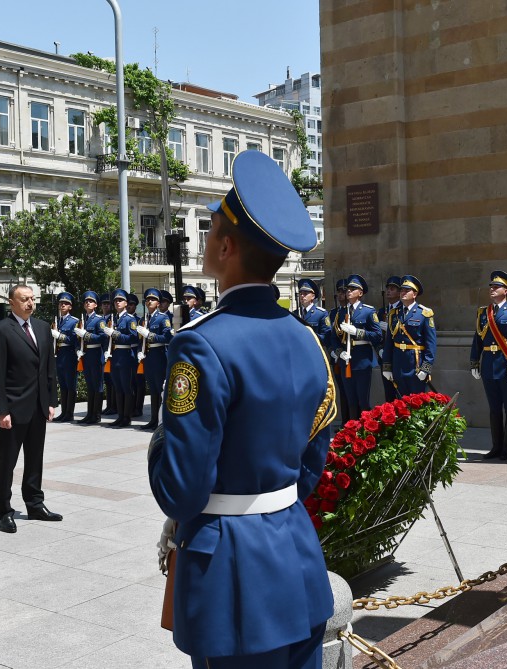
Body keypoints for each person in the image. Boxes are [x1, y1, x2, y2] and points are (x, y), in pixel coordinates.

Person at [148, 149, 334, 669]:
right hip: (296, 557)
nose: (204, 239)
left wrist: (160, 440)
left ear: (226, 247)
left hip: (232, 579)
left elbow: (182, 491)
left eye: (209, 230)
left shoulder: (201, 344)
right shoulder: (307, 341)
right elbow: (312, 463)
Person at [0, 284, 63, 533]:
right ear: (11, 302)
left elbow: (49, 368)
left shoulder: (41, 328)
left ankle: (34, 504)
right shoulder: (0, 331)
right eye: (24, 299)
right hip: (13, 408)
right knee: (8, 462)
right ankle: (4, 512)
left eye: (32, 299)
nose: (30, 303)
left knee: (35, 460)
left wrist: (51, 401)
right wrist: (1, 411)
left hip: (38, 407)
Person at [470, 270, 507, 460]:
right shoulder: (484, 312)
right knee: (494, 408)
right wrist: (474, 361)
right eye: (491, 286)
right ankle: (496, 446)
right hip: (489, 364)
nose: (492, 289)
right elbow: (477, 338)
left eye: (496, 287)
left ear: (505, 291)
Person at [335, 274, 383, 418]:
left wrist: (357, 332)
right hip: (346, 360)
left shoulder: (368, 311)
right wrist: (339, 352)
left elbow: (377, 335)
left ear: (360, 293)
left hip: (362, 360)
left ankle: (365, 432)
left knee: (363, 401)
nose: (348, 291)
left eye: (353, 289)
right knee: (351, 401)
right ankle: (352, 433)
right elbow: (334, 337)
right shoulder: (341, 312)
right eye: (347, 289)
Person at [383, 274, 436, 396]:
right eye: (402, 290)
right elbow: (389, 343)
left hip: (415, 365)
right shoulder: (393, 314)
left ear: (415, 294)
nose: (403, 293)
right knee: (401, 404)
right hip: (398, 364)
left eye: (407, 290)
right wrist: (387, 366)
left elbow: (431, 344)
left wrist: (426, 368)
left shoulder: (424, 313)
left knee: (417, 403)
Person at [136, 287, 173, 430]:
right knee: (152, 389)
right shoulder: (145, 319)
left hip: (159, 356)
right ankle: (153, 420)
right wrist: (140, 351)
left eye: (153, 299)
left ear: (158, 303)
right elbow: (140, 340)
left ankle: (160, 422)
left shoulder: (163, 318)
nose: (149, 301)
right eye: (147, 299)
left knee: (159, 389)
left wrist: (149, 335)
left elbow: (167, 337)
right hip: (149, 357)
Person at [102, 289, 138, 427]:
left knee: (126, 387)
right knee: (117, 387)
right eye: (116, 301)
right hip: (115, 356)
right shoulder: (113, 319)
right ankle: (120, 416)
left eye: (120, 300)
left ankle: (127, 417)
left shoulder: (130, 319)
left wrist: (115, 334)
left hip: (126, 356)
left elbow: (133, 338)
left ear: (126, 303)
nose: (117, 303)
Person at [73, 290, 107, 424]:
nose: (88, 303)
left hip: (96, 355)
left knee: (97, 385)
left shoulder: (99, 320)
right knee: (90, 385)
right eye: (86, 301)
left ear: (96, 305)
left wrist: (86, 335)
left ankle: (96, 415)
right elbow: (76, 339)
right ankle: (89, 414)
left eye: (91, 301)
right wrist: (77, 350)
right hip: (86, 355)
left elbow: (103, 337)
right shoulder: (82, 320)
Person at [51, 292, 79, 422]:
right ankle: (63, 412)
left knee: (70, 384)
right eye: (61, 303)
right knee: (62, 384)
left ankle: (70, 413)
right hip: (59, 355)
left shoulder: (74, 321)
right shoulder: (57, 321)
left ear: (70, 307)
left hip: (69, 355)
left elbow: (73, 340)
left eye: (66, 303)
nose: (63, 305)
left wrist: (59, 336)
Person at [327, 278, 351, 423]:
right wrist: (334, 351)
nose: (342, 294)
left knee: (352, 393)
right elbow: (331, 336)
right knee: (341, 390)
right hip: (337, 357)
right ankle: (345, 421)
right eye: (340, 292)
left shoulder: (351, 311)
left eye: (344, 291)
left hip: (350, 357)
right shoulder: (333, 313)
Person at [378, 275, 402, 402]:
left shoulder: (401, 310)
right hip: (384, 357)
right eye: (388, 288)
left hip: (398, 355)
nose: (389, 291)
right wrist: (379, 349)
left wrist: (390, 328)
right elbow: (376, 335)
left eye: (393, 289)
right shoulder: (382, 311)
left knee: (401, 392)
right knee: (388, 393)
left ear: (399, 293)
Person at [297, 278, 330, 344]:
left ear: (313, 296)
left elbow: (326, 336)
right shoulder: (295, 313)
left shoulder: (321, 313)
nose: (302, 296)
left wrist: (310, 336)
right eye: (300, 293)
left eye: (305, 293)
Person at [99, 293, 117, 417]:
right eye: (104, 304)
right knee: (107, 380)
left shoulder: (113, 319)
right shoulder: (101, 319)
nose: (106, 306)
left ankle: (113, 406)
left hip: (111, 353)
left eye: (108, 304)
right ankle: (109, 405)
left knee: (112, 381)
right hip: (102, 352)